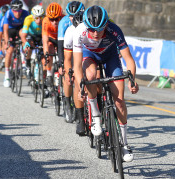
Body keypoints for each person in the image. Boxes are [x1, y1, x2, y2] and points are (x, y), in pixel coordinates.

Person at [73, 6, 139, 162]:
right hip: (89, 55)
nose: (96, 33)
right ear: (86, 26)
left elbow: (129, 59)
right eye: (92, 30)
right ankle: (95, 116)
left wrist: (133, 80)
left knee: (120, 101)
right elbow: (76, 66)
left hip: (110, 56)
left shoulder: (114, 30)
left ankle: (124, 144)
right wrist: (80, 86)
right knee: (89, 75)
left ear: (106, 26)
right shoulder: (80, 32)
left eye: (100, 29)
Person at [58, 1, 85, 124]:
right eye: (69, 15)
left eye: (74, 15)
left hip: (82, 50)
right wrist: (61, 64)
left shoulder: (85, 21)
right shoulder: (64, 23)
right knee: (68, 78)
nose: (72, 18)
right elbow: (61, 47)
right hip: (68, 49)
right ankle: (67, 103)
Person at [2, 0, 29, 87]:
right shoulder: (8, 13)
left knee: (23, 35)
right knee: (9, 51)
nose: (17, 13)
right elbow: (5, 30)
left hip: (20, 30)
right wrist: (6, 42)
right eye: (15, 11)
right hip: (11, 30)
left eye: (19, 11)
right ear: (12, 10)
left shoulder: (26, 13)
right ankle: (6, 75)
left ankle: (23, 58)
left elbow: (27, 28)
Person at [42, 2, 64, 87]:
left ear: (60, 16)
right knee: (49, 49)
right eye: (52, 19)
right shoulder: (45, 21)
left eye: (57, 19)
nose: (54, 22)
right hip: (51, 39)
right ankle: (49, 73)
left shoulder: (64, 19)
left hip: (61, 39)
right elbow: (45, 40)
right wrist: (46, 54)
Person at [21, 5, 45, 77]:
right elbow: (23, 35)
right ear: (33, 16)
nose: (39, 20)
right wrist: (26, 43)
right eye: (36, 18)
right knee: (28, 48)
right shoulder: (28, 19)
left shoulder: (45, 19)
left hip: (41, 36)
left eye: (40, 17)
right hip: (31, 35)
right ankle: (27, 65)